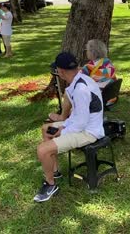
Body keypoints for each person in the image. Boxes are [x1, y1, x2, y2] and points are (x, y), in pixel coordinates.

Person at [34, 52, 105, 203]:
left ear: (61, 72)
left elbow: (81, 122)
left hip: (89, 132)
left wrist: (63, 131)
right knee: (46, 129)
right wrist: (62, 126)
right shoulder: (79, 80)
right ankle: (55, 171)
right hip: (82, 125)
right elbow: (77, 116)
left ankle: (50, 185)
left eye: (57, 70)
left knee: (42, 149)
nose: (57, 73)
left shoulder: (80, 89)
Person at [48, 39, 116, 122]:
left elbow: (75, 75)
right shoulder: (107, 63)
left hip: (97, 97)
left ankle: (63, 116)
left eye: (87, 50)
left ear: (92, 52)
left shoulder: (89, 67)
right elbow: (90, 70)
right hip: (110, 95)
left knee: (68, 92)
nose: (86, 52)